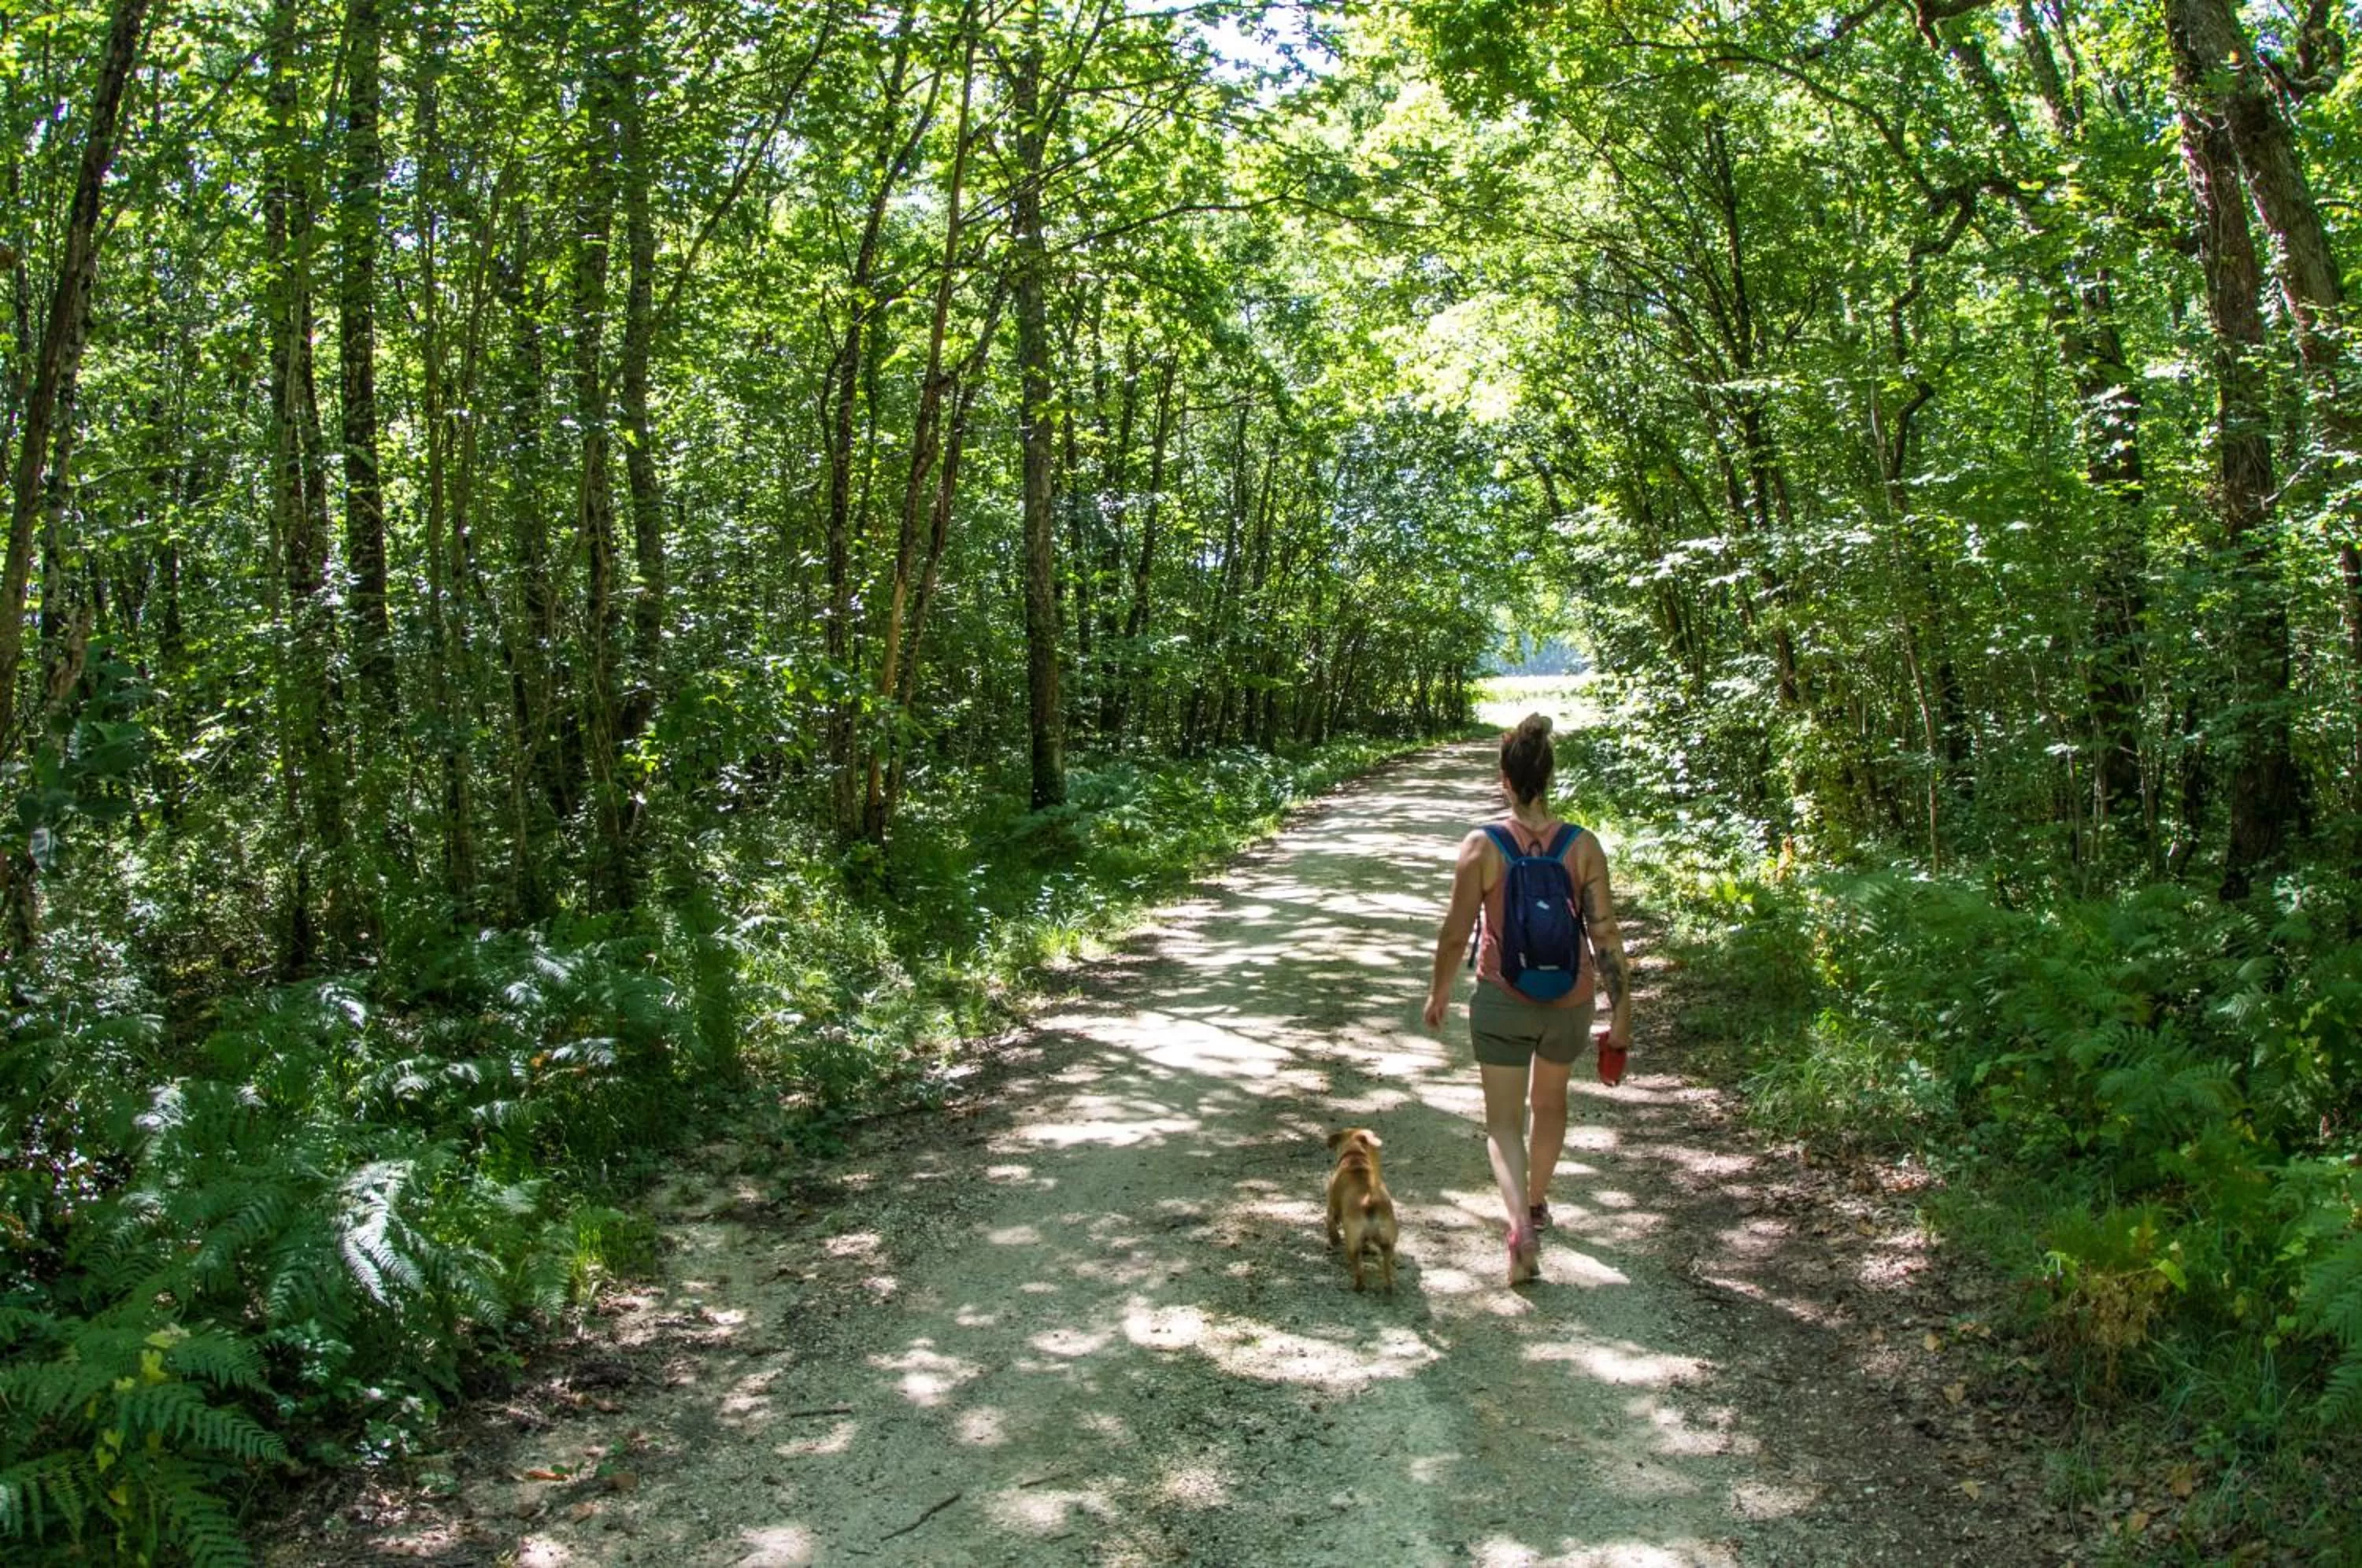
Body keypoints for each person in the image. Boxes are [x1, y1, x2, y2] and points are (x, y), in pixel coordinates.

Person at [1422, 714, 1633, 1285]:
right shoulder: (1582, 845)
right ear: (1550, 777)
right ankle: (1537, 1201)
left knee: (1503, 1124)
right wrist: (1624, 1016)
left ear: (1504, 781)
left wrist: (1440, 991)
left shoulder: (1482, 846)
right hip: (1571, 999)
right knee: (1553, 1105)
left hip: (1501, 999)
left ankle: (1519, 1225)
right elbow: (1605, 935)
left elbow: (1454, 930)